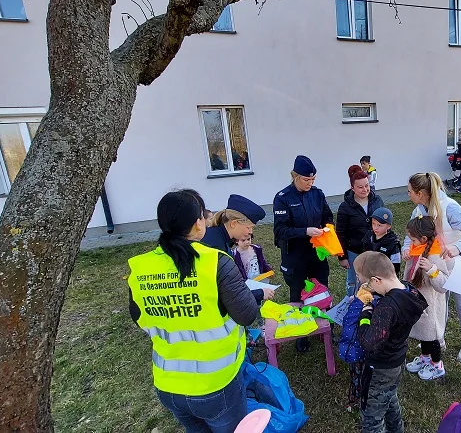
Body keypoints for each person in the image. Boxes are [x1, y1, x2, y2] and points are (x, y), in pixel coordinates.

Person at [127, 190, 260, 433]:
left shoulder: (140, 267)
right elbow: (247, 314)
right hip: (216, 385)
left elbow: (139, 318)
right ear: (197, 223)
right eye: (202, 216)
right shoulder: (215, 262)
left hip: (168, 385)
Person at [402, 172, 461, 364]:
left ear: (421, 193)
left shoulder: (449, 208)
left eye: (409, 192)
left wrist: (458, 248)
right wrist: (407, 247)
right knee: (439, 301)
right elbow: (411, 231)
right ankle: (438, 338)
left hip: (460, 262)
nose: (408, 195)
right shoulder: (419, 209)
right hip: (438, 262)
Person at [355, 252, 427, 433]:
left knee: (372, 416)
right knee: (389, 398)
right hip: (397, 358)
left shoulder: (387, 307)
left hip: (381, 366)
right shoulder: (410, 290)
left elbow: (369, 342)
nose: (367, 287)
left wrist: (366, 312)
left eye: (367, 283)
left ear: (377, 280)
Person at [273, 155, 335, 351]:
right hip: (295, 255)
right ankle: (302, 334)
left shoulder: (317, 194)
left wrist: (327, 232)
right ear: (295, 176)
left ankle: (324, 328)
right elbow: (280, 231)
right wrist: (305, 231)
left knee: (321, 290)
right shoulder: (283, 198)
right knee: (298, 294)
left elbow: (327, 217)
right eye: (306, 180)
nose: (310, 183)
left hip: (316, 253)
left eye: (313, 180)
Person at [201, 194, 274, 303]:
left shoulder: (219, 238)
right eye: (249, 227)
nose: (250, 232)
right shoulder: (216, 246)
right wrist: (259, 293)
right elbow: (226, 290)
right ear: (234, 223)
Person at [403, 216, 451, 381]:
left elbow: (444, 284)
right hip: (419, 302)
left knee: (433, 337)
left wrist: (432, 270)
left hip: (431, 305)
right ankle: (425, 358)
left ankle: (437, 365)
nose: (411, 242)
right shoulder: (417, 250)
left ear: (423, 239)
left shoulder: (434, 256)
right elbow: (411, 275)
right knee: (424, 334)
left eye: (413, 239)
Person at [337, 165, 385, 297]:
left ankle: (373, 303)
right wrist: (342, 257)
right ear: (352, 188)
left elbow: (384, 222)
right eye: (360, 187)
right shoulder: (345, 207)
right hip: (354, 251)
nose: (365, 189)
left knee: (375, 278)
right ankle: (351, 303)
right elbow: (340, 233)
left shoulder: (377, 200)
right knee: (353, 281)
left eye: (367, 185)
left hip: (375, 249)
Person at [362, 207, 402, 276]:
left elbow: (396, 265)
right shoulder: (369, 236)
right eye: (373, 223)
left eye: (380, 225)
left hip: (385, 277)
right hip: (369, 274)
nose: (375, 227)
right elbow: (363, 252)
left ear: (388, 226)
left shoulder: (393, 243)